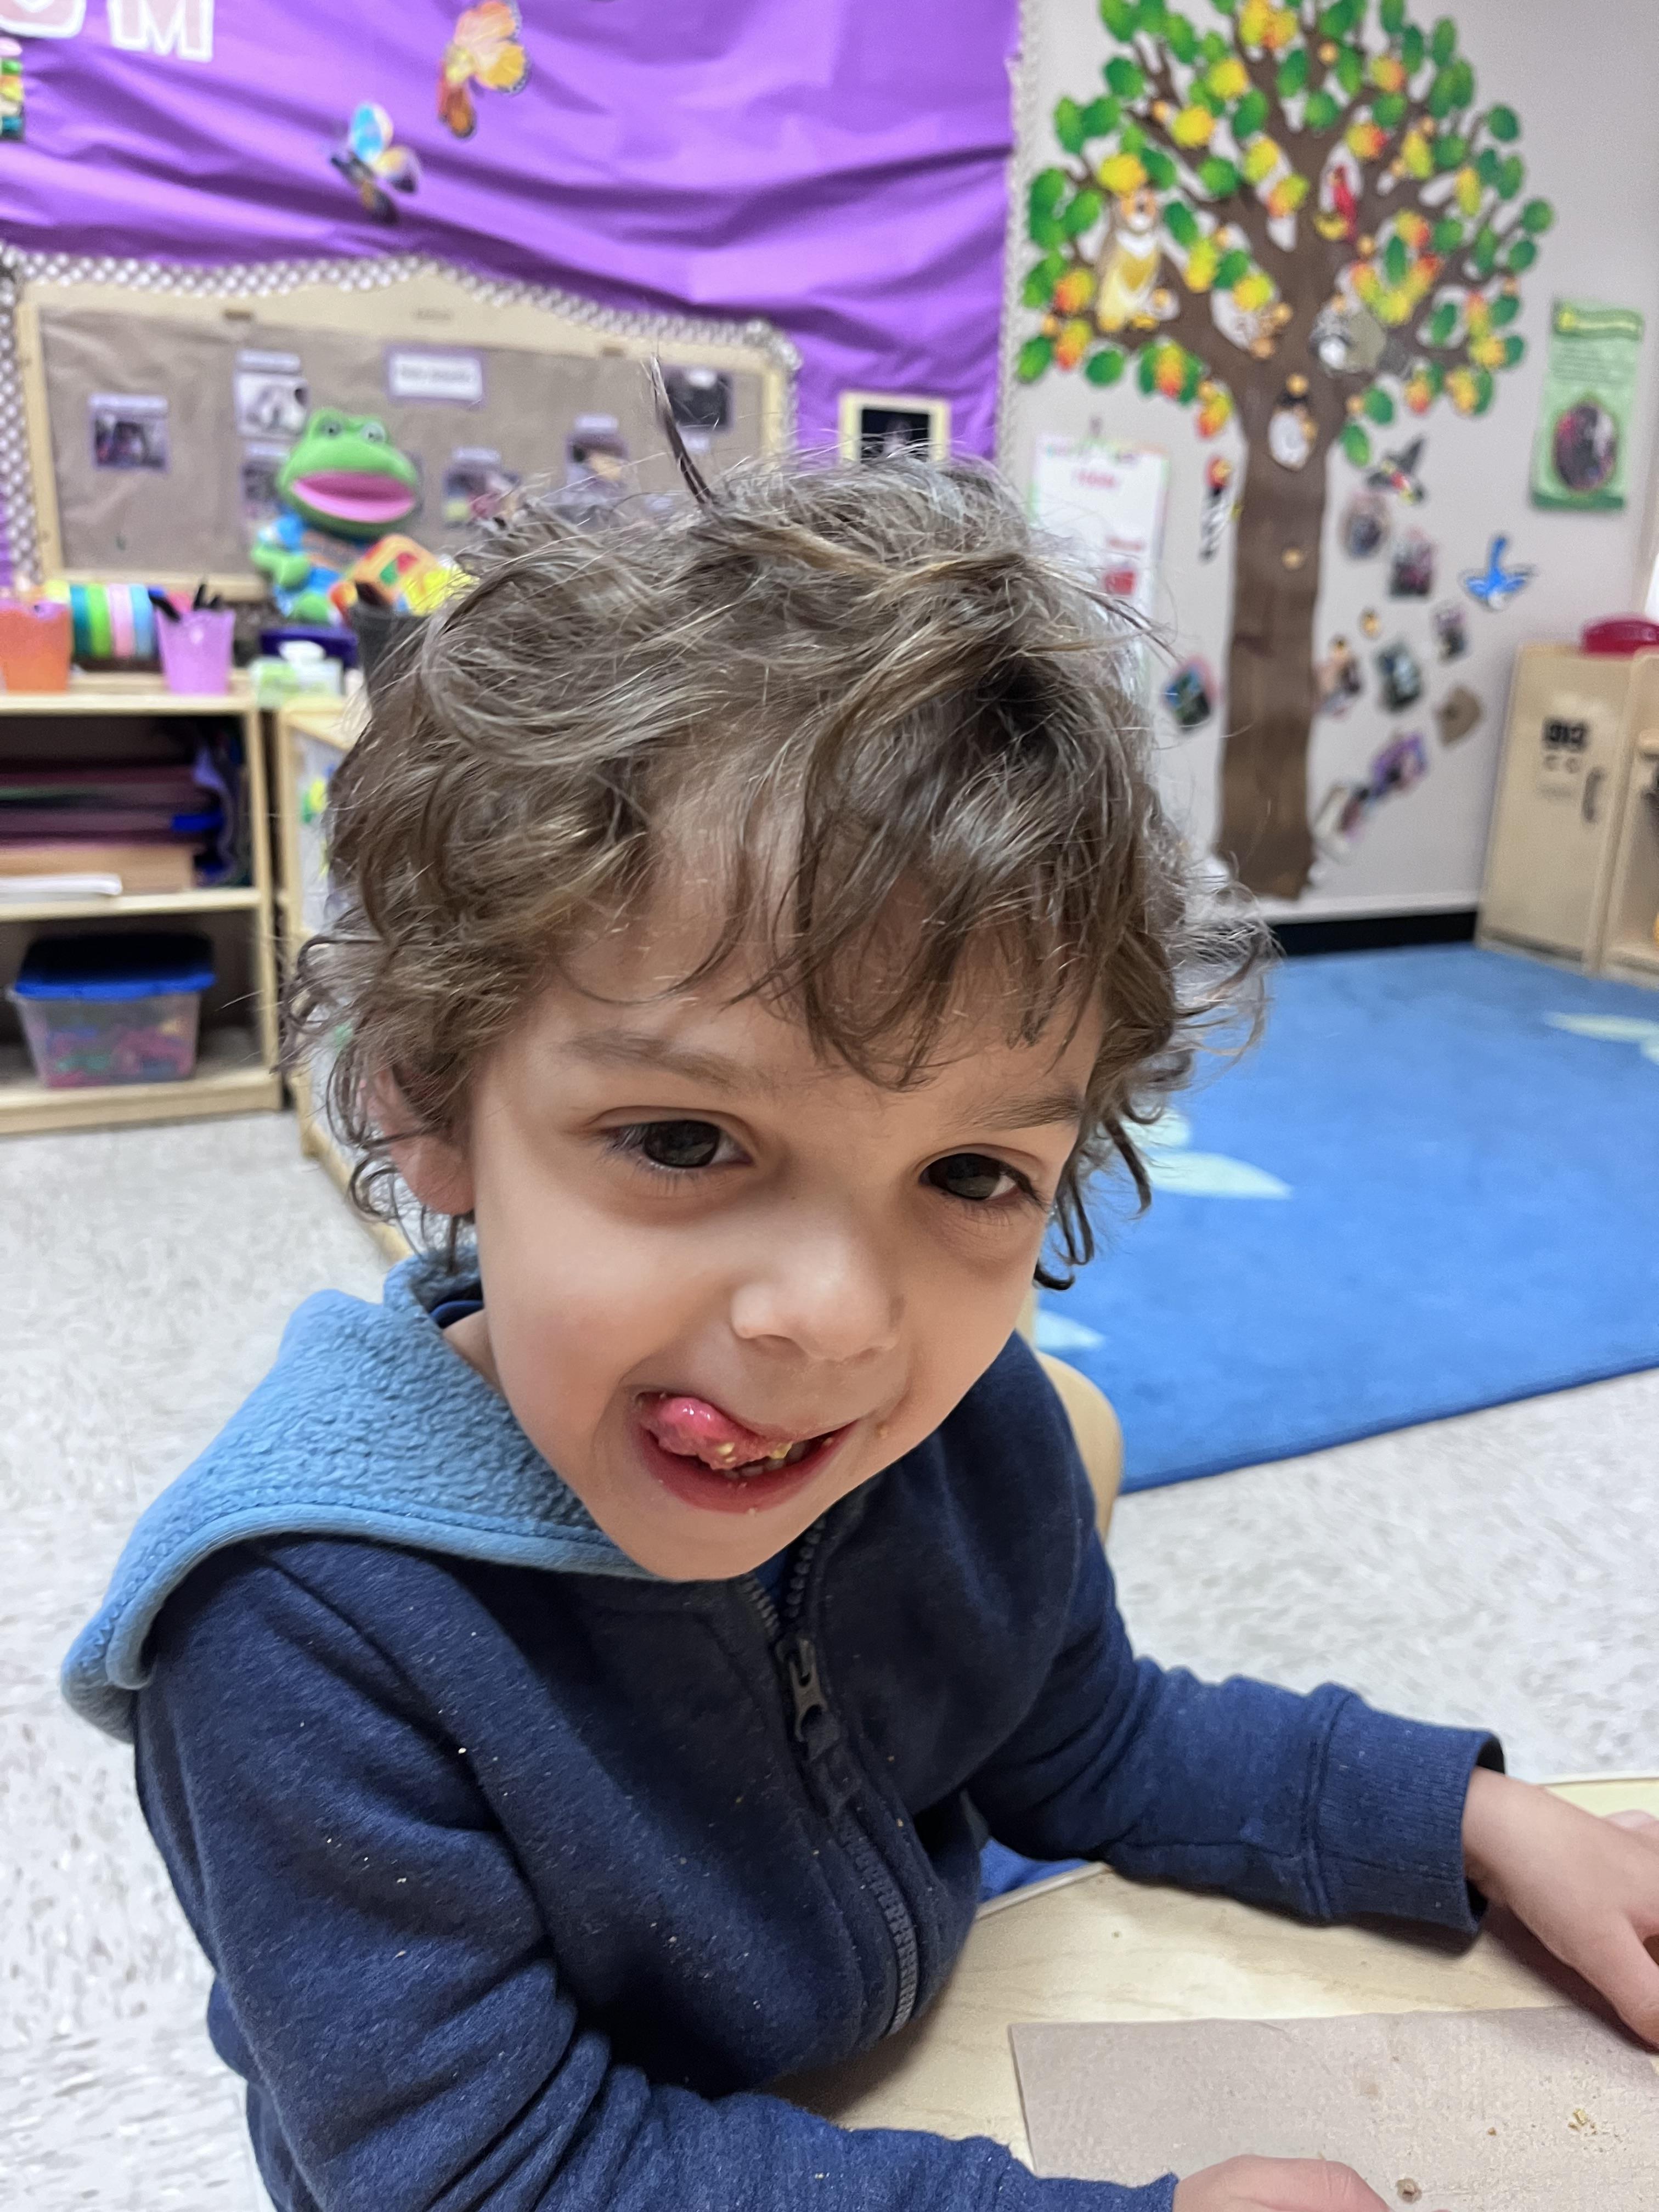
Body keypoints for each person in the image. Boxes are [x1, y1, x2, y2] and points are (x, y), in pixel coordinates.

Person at [65, 451, 1659, 2212]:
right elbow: (495, 2174)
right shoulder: (299, 1632)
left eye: (968, 1174)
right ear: (430, 1099)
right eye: (686, 1141)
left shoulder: (976, 1431)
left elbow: (1096, 1742)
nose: (832, 1324)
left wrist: (1475, 1824)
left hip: (885, 2067)